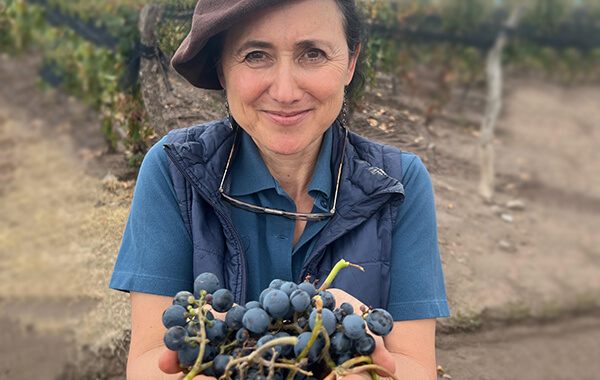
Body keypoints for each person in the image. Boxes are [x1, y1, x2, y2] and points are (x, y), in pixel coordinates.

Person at [109, 0, 450, 378]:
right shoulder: (174, 171)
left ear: (350, 63)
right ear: (222, 66)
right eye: (256, 55)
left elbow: (417, 367)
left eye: (314, 54)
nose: (286, 92)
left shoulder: (399, 184)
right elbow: (148, 361)